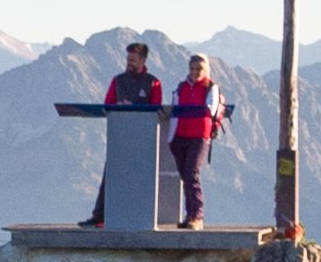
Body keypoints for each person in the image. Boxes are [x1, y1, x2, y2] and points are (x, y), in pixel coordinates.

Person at [80, 41, 167, 227]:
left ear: (143, 60)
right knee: (110, 175)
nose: (130, 63)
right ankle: (100, 216)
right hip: (120, 138)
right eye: (128, 59)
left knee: (141, 179)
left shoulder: (153, 82)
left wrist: (136, 108)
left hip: (143, 140)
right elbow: (107, 104)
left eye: (133, 60)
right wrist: (118, 108)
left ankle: (142, 217)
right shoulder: (117, 81)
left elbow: (156, 109)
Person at [170, 53, 224, 228]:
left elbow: (210, 109)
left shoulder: (211, 87)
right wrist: (171, 138)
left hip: (199, 137)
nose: (194, 72)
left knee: (192, 173)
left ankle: (197, 216)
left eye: (199, 68)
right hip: (180, 137)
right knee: (185, 176)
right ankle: (189, 215)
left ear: (206, 69)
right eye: (192, 68)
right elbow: (174, 110)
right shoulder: (181, 87)